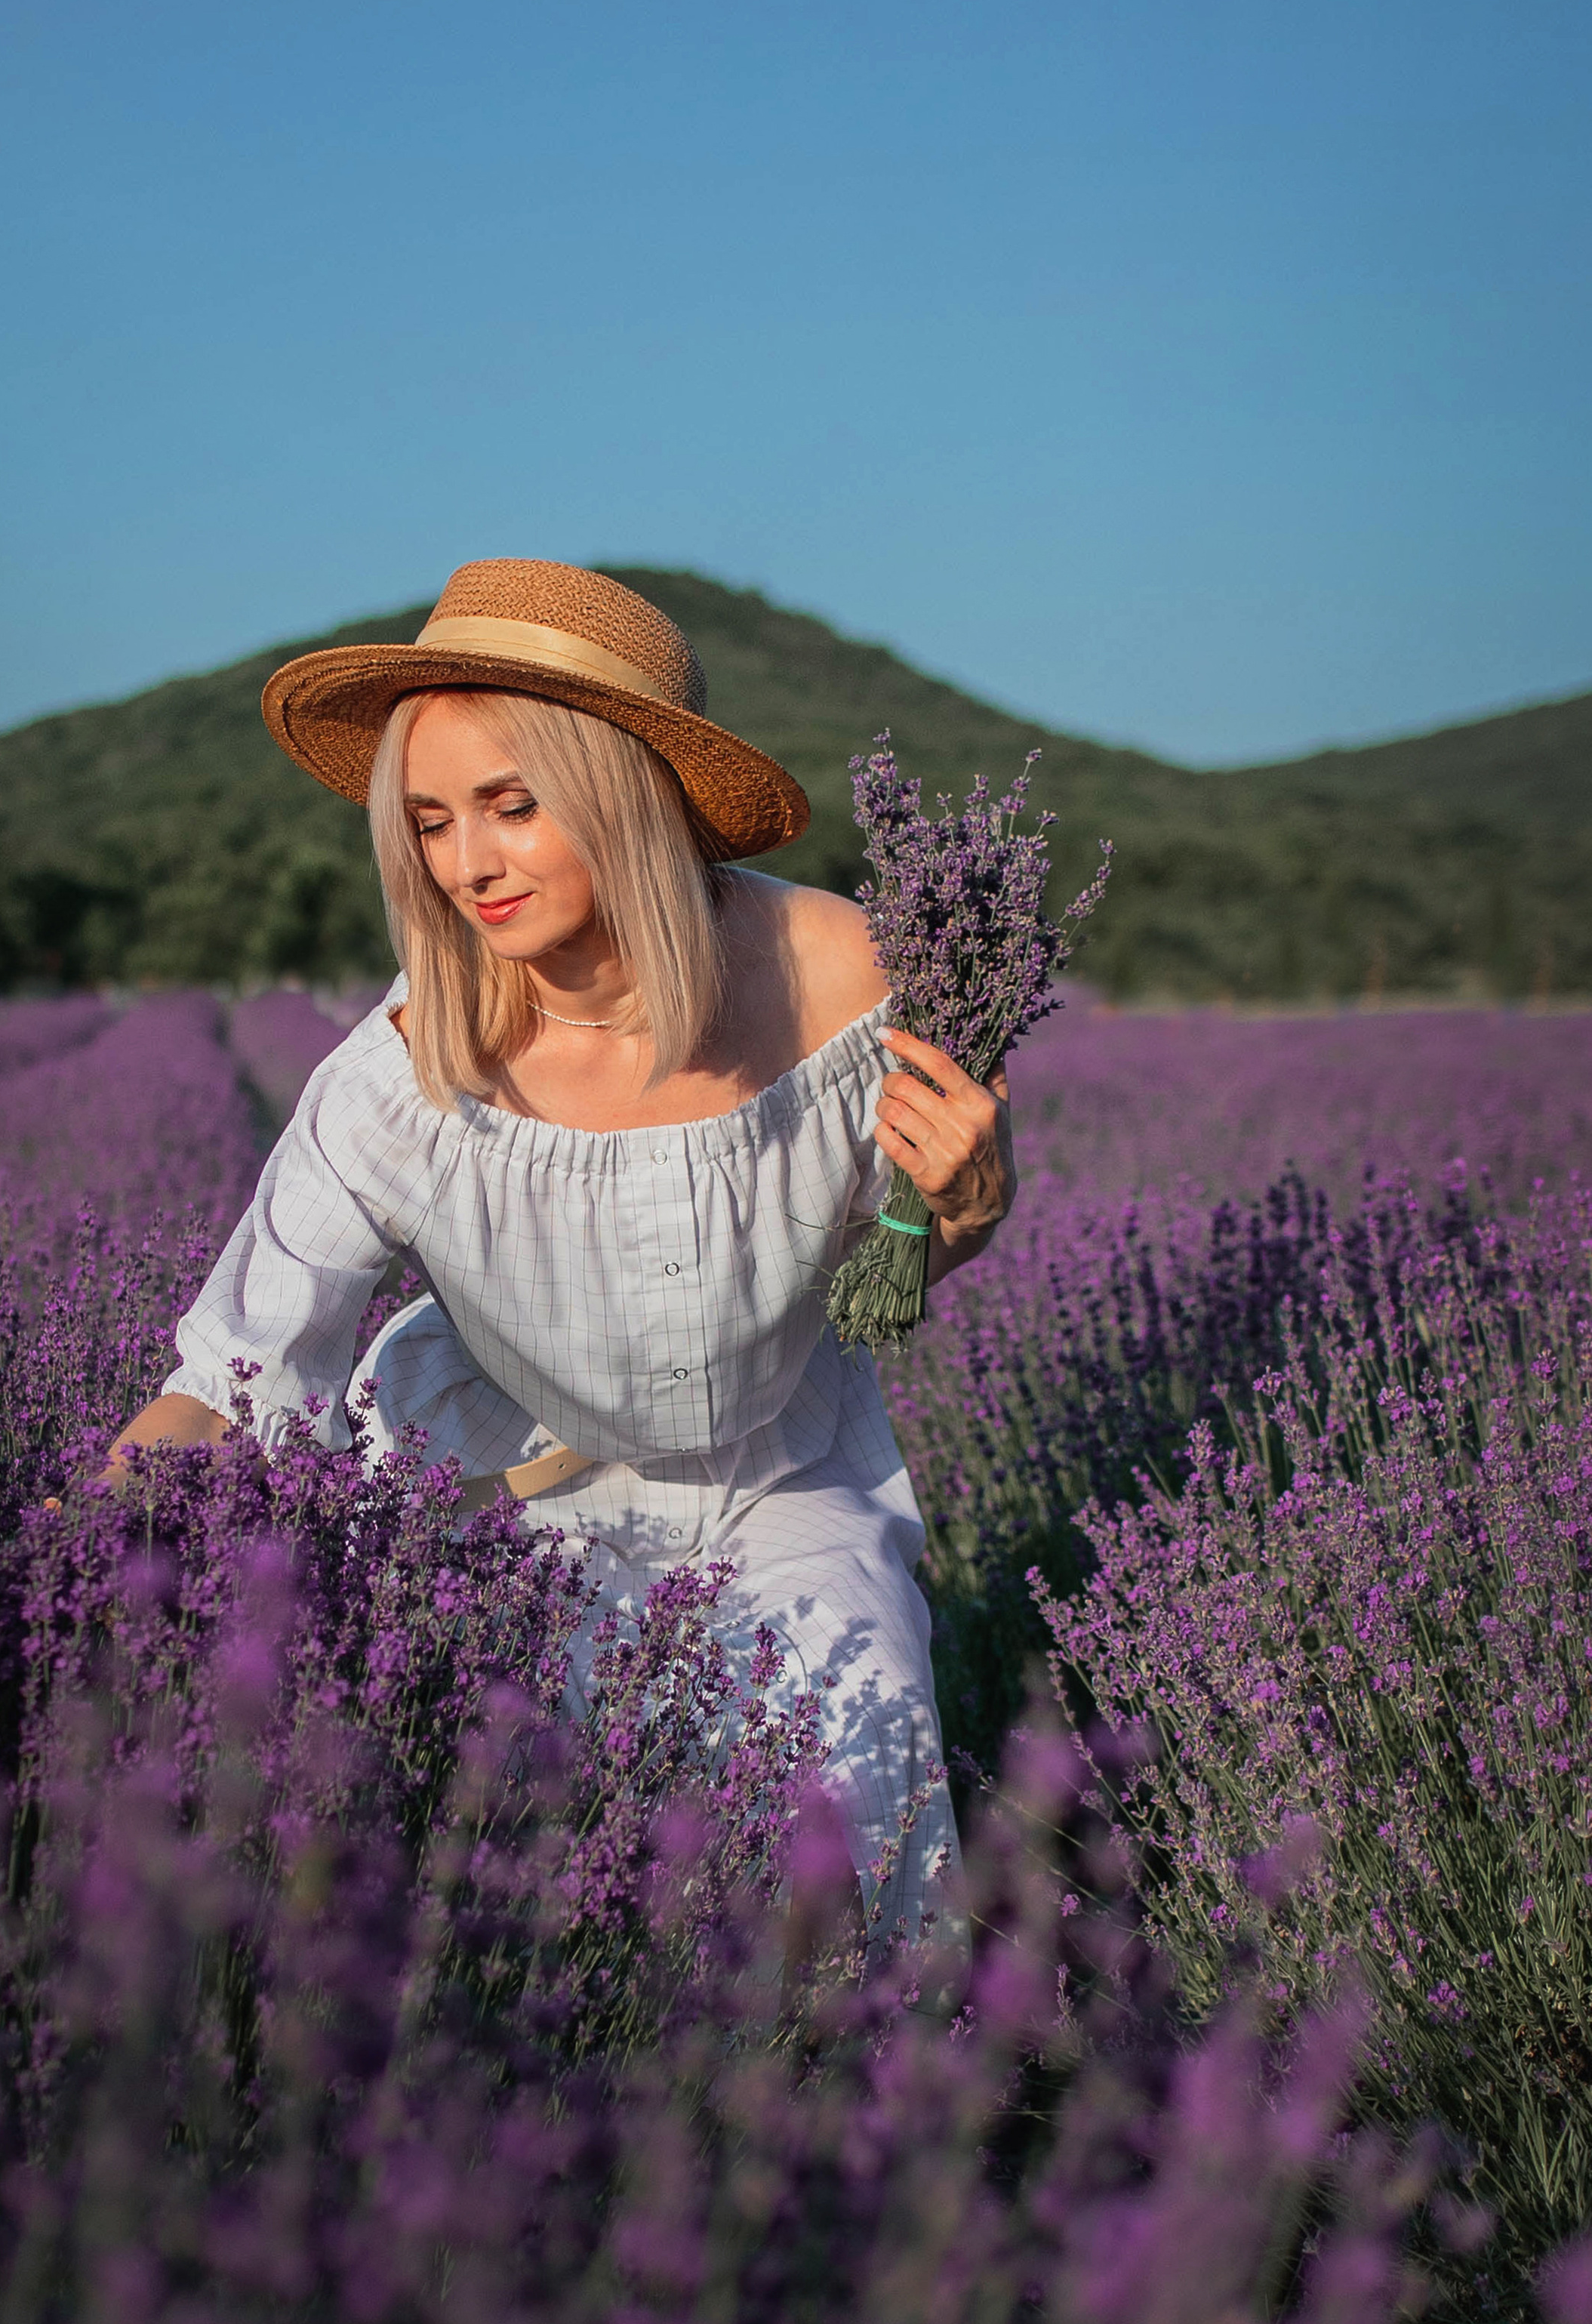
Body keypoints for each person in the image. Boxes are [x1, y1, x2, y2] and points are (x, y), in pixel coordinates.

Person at [109, 561, 1015, 1950]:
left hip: (784, 1475)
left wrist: (970, 1203)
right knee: (546, 1866)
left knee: (868, 1802)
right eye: (430, 822)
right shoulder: (402, 1073)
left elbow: (882, 1265)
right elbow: (239, 1374)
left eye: (511, 806)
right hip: (507, 1493)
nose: (465, 863)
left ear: (625, 787)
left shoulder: (844, 976)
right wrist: (78, 1532)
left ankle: (880, 2120)